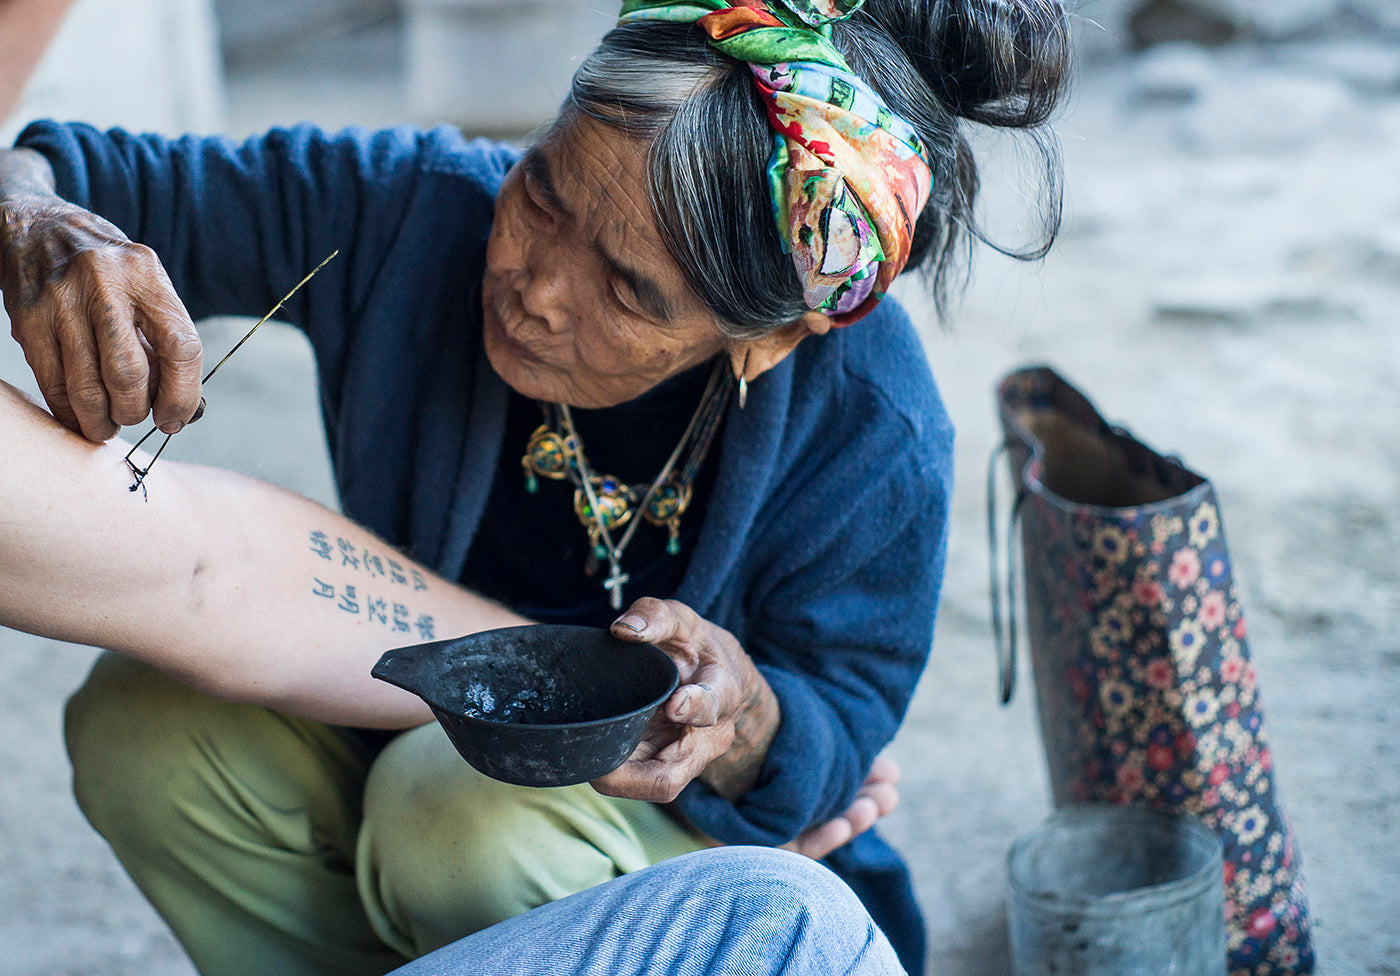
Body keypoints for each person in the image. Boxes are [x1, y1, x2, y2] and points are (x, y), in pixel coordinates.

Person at [0, 1, 1069, 974]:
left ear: (766, 341)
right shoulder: (413, 213)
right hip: (400, 745)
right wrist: (38, 223)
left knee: (460, 814)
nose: (535, 284)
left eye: (627, 289)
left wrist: (741, 720)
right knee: (143, 726)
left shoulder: (869, 426)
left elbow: (836, 738)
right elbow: (68, 173)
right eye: (543, 190)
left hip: (654, 855)